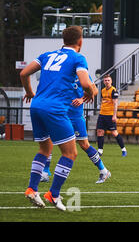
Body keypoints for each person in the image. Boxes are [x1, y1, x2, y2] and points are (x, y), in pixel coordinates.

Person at [20, 25, 95, 211]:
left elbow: (23, 73)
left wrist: (30, 92)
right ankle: (53, 194)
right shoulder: (78, 57)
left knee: (45, 149)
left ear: (64, 40)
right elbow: (85, 83)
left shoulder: (47, 55)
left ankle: (32, 188)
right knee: (70, 153)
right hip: (54, 109)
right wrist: (90, 92)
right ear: (80, 41)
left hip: (36, 105)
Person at [42, 76, 111, 184]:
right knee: (49, 139)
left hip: (75, 117)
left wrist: (82, 99)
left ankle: (104, 170)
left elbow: (95, 90)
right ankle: (45, 173)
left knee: (84, 144)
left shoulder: (82, 74)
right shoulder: (61, 73)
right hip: (60, 114)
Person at [96, 75, 127, 157]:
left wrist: (114, 115)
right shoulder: (102, 90)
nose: (107, 82)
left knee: (114, 132)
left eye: (108, 80)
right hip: (102, 114)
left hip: (110, 115)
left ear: (111, 81)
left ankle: (123, 149)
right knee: (100, 131)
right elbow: (104, 101)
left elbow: (115, 103)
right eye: (105, 80)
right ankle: (100, 150)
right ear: (103, 81)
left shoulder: (113, 90)